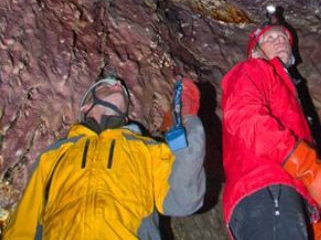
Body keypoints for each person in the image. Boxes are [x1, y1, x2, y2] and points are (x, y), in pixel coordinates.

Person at [3, 74, 206, 239]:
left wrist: (187, 120)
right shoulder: (54, 155)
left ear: (125, 116)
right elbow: (23, 225)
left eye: (119, 86)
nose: (118, 83)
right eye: (107, 84)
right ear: (85, 107)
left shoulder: (147, 149)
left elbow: (184, 199)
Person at [221, 9, 321, 240]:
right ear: (255, 51)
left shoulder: (289, 97)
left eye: (283, 38)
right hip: (264, 187)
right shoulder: (254, 69)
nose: (280, 41)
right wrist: (310, 168)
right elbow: (243, 116)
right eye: (270, 38)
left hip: (280, 197)